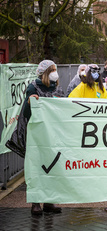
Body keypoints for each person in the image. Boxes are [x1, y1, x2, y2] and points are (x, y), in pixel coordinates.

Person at [23, 60, 65, 215]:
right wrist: (30, 101)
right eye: (52, 70)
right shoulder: (33, 87)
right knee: (37, 166)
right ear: (45, 72)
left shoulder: (57, 88)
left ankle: (49, 201)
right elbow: (26, 114)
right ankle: (35, 202)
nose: (55, 72)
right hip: (38, 135)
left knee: (53, 166)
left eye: (56, 69)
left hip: (53, 134)